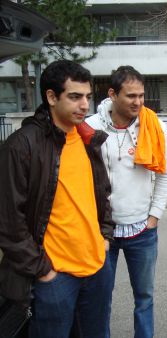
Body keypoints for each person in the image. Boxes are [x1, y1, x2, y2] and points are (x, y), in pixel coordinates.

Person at [0, 60, 114, 338]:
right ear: (51, 97)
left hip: (97, 267)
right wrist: (42, 270)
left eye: (88, 96)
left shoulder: (88, 139)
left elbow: (101, 194)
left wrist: (105, 237)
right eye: (74, 97)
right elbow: (8, 222)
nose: (85, 105)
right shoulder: (21, 146)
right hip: (54, 275)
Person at [86, 65, 167, 338]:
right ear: (112, 94)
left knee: (144, 297)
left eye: (142, 96)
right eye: (131, 96)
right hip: (102, 231)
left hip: (141, 230)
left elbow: (165, 175)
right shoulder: (89, 127)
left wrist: (154, 216)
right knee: (100, 298)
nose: (138, 102)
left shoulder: (154, 126)